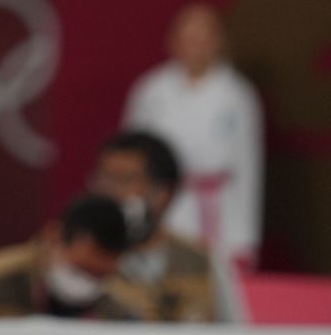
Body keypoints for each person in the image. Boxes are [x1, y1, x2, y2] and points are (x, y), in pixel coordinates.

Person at [120, 3, 265, 267]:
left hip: (218, 211)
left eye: (204, 37)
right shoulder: (150, 91)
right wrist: (131, 217)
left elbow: (249, 169)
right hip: (160, 206)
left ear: (218, 42)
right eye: (189, 37)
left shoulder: (237, 95)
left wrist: (245, 239)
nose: (196, 45)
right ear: (173, 41)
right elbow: (128, 161)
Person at [88, 130, 244, 323]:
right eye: (103, 178)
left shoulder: (200, 261)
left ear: (163, 194)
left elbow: (233, 328)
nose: (109, 190)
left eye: (124, 179)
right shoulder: (73, 252)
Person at [0, 193, 152, 320]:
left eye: (98, 275)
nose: (86, 282)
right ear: (53, 236)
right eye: (79, 269)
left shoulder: (127, 302)